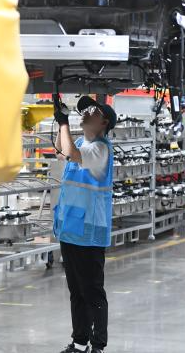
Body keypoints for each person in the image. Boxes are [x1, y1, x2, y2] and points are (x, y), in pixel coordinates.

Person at [53, 95, 116, 353]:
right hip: (70, 229)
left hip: (89, 232)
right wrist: (61, 121)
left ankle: (98, 345)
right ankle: (80, 343)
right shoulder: (80, 142)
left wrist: (64, 123)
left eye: (93, 111)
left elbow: (72, 154)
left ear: (104, 123)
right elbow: (62, 152)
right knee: (76, 292)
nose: (87, 113)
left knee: (92, 292)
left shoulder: (101, 149)